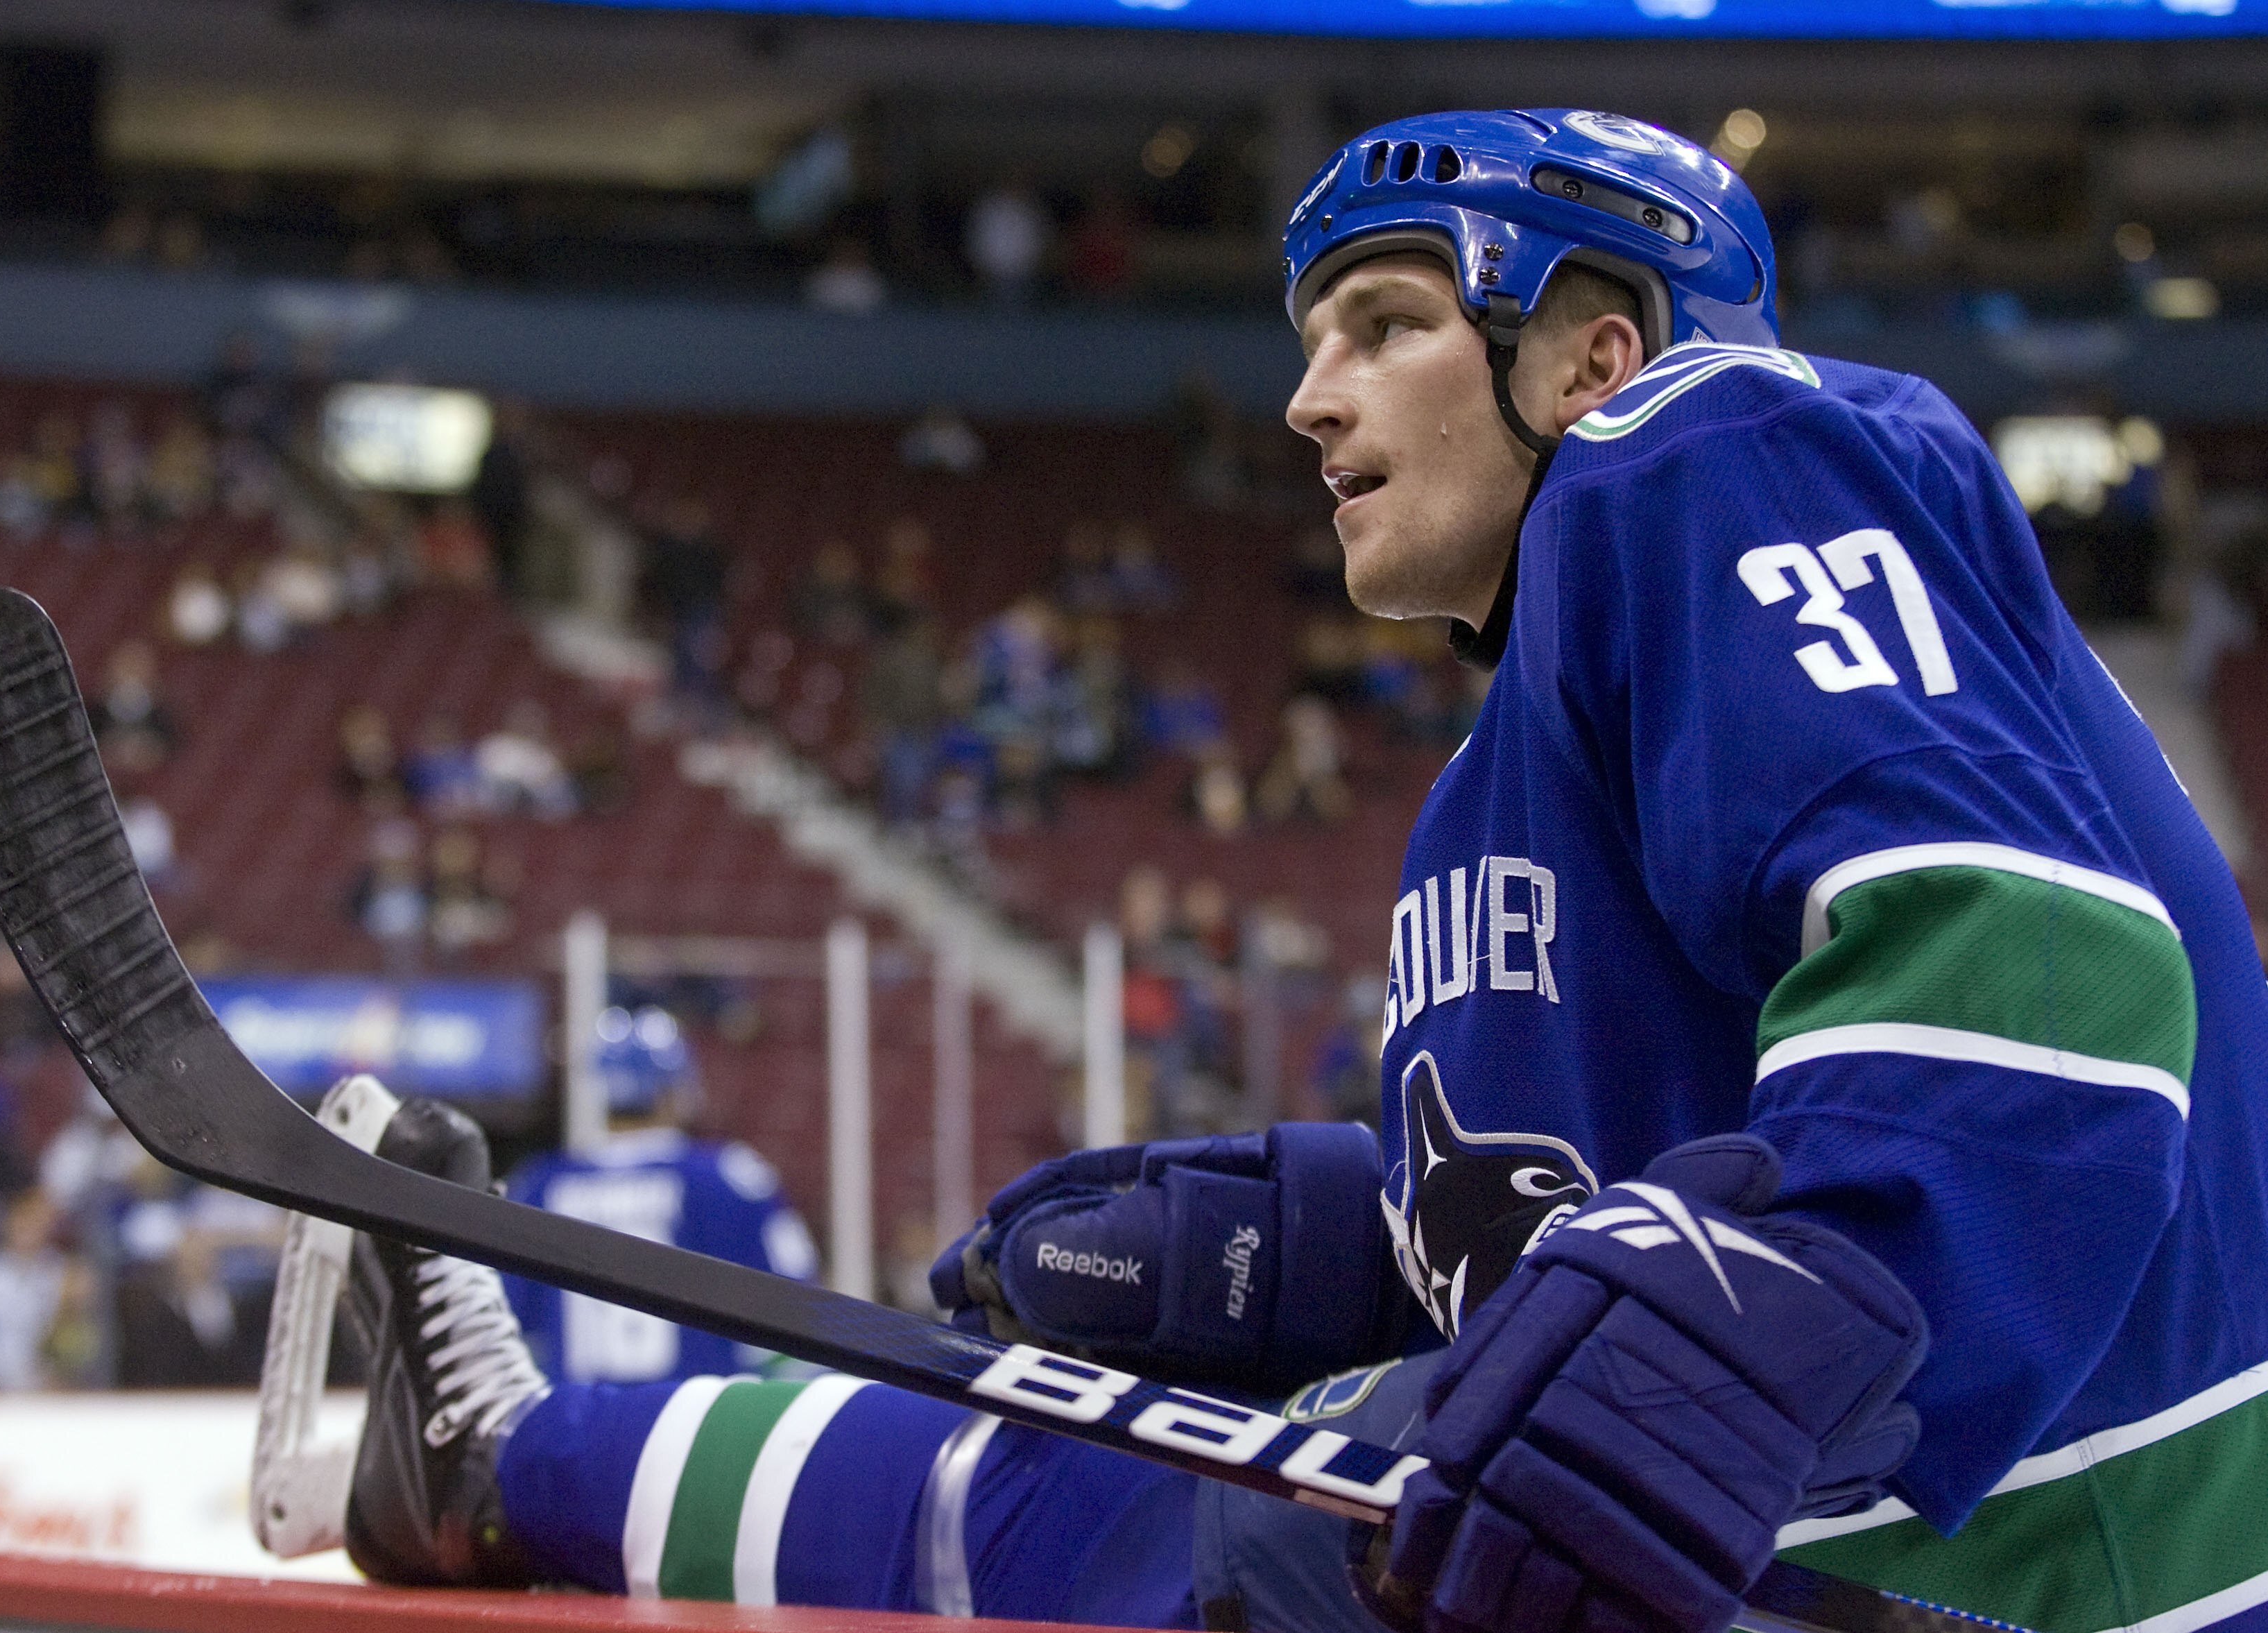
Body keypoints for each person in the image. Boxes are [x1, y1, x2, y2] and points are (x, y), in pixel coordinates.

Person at [323, 109, 2268, 1633]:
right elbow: (1636, 1199)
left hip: (2027, 1565)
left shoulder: (1706, 443)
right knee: (1105, 1483)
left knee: (1111, 1507)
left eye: (1390, 323)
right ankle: (497, 1466)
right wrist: (1311, 1233)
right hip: (1877, 1541)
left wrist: (1764, 1321)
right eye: (1313, 339)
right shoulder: (1500, 779)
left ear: (1596, 349)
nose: (1306, 398)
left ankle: (507, 1461)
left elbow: (2039, 970)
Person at [499, 1007, 818, 1386]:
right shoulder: (727, 1177)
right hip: (697, 1428)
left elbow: (510, 1323)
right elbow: (800, 1310)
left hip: (584, 1430)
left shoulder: (541, 1185)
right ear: (673, 1090)